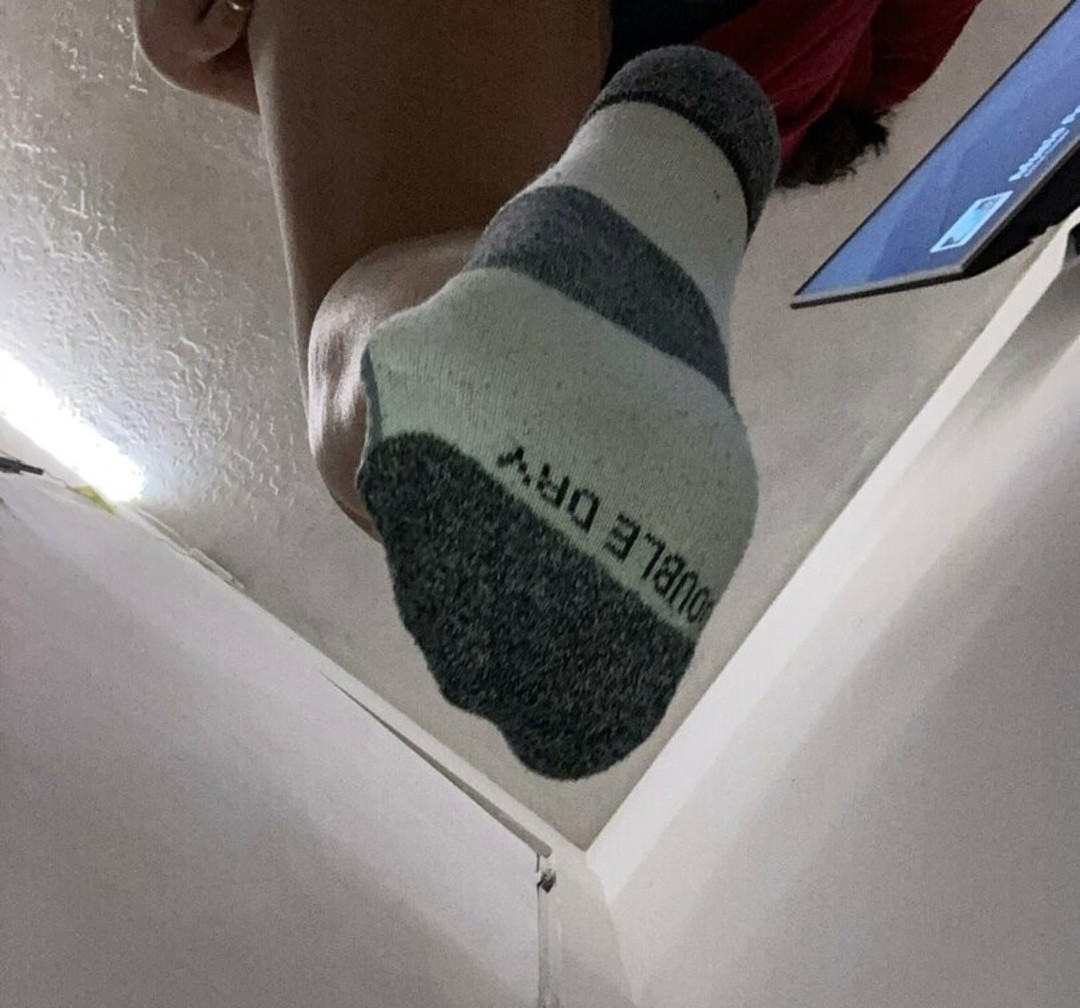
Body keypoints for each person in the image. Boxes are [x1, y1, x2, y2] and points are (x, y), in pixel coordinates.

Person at [132, 0, 983, 780]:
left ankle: (490, 346)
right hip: (679, 114)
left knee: (435, 312)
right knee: (446, 316)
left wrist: (255, 69)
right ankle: (477, 348)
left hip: (679, 119)